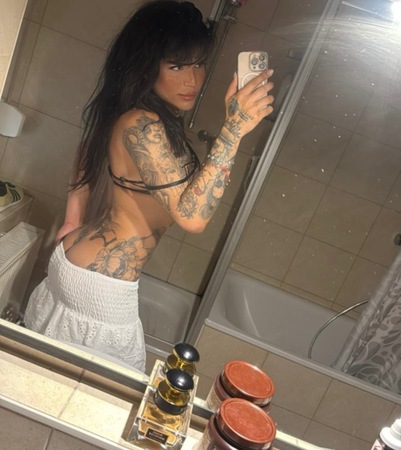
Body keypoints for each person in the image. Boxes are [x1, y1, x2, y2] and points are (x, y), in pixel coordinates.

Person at [23, 0, 274, 372]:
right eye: (177, 65)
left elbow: (87, 150)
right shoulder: (142, 123)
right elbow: (192, 217)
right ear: (146, 65)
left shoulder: (140, 114)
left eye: (199, 63)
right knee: (102, 391)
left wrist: (74, 219)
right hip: (101, 287)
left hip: (86, 268)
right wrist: (233, 129)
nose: (193, 79)